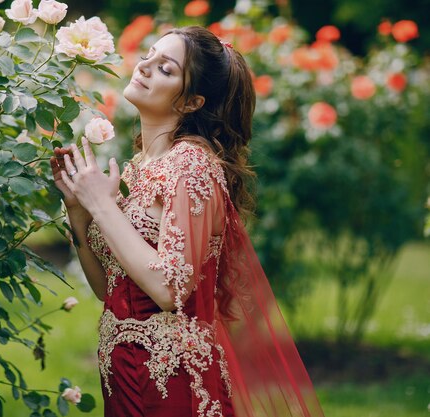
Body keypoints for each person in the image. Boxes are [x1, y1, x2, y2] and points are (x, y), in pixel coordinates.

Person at [50, 26, 325, 417]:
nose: (144, 66)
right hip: (123, 373)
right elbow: (108, 290)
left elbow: (169, 289)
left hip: (173, 382)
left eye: (165, 68)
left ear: (193, 102)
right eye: (148, 55)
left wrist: (102, 206)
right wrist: (79, 211)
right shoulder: (138, 168)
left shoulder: (191, 166)